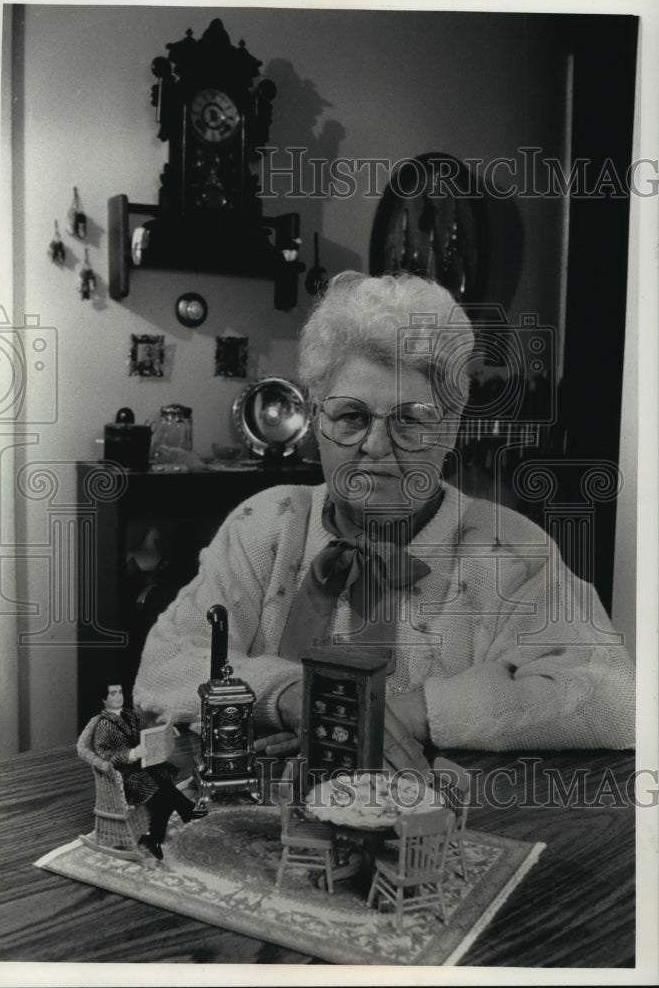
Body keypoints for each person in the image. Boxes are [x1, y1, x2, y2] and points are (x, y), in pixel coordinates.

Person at [133, 272, 635, 766]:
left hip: (446, 825)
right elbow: (164, 667)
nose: (376, 447)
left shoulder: (511, 550)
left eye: (410, 420)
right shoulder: (264, 524)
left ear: (452, 427)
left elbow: (614, 699)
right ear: (317, 421)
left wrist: (410, 712)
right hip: (263, 815)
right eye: (352, 416)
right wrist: (288, 697)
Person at [91, 679, 203, 859]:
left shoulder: (130, 715)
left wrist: (165, 732)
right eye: (113, 693)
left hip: (141, 765)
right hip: (123, 774)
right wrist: (132, 754)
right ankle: (176, 818)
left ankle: (169, 824)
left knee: (163, 776)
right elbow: (105, 757)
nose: (119, 696)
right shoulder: (104, 726)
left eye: (120, 692)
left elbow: (145, 733)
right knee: (162, 796)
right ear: (104, 699)